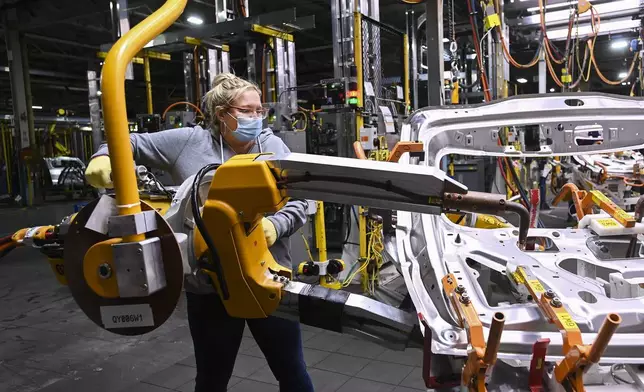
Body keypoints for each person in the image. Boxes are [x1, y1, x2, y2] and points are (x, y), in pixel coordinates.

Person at [85, 73, 314, 392]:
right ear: (223, 115)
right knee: (211, 379)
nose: (257, 117)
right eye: (247, 111)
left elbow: (301, 200)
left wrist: (274, 226)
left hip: (267, 277)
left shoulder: (272, 146)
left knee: (292, 373)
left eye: (260, 110)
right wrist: (102, 156)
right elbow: (125, 142)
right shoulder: (188, 142)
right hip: (209, 288)